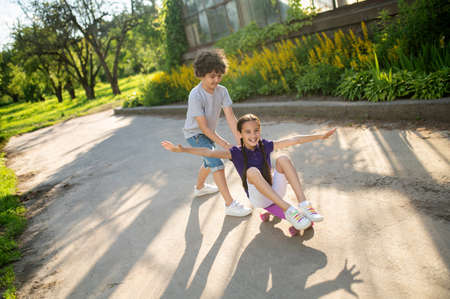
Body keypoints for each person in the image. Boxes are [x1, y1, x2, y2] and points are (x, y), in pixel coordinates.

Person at [162, 113, 336, 230]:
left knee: (283, 158)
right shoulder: (235, 152)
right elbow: (208, 152)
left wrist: (320, 136)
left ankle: (304, 204)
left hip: (274, 190)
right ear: (240, 134)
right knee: (252, 171)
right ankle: (289, 210)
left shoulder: (265, 145)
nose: (253, 135)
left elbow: (294, 140)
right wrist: (182, 149)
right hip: (258, 197)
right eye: (248, 132)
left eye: (256, 131)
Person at [183, 50, 252, 217]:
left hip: (208, 133)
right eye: (212, 76)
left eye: (219, 76)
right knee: (216, 161)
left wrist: (241, 141)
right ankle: (230, 204)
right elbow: (204, 128)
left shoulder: (222, 91)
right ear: (201, 74)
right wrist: (225, 144)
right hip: (195, 134)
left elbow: (230, 117)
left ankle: (199, 188)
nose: (216, 80)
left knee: (209, 162)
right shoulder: (196, 95)